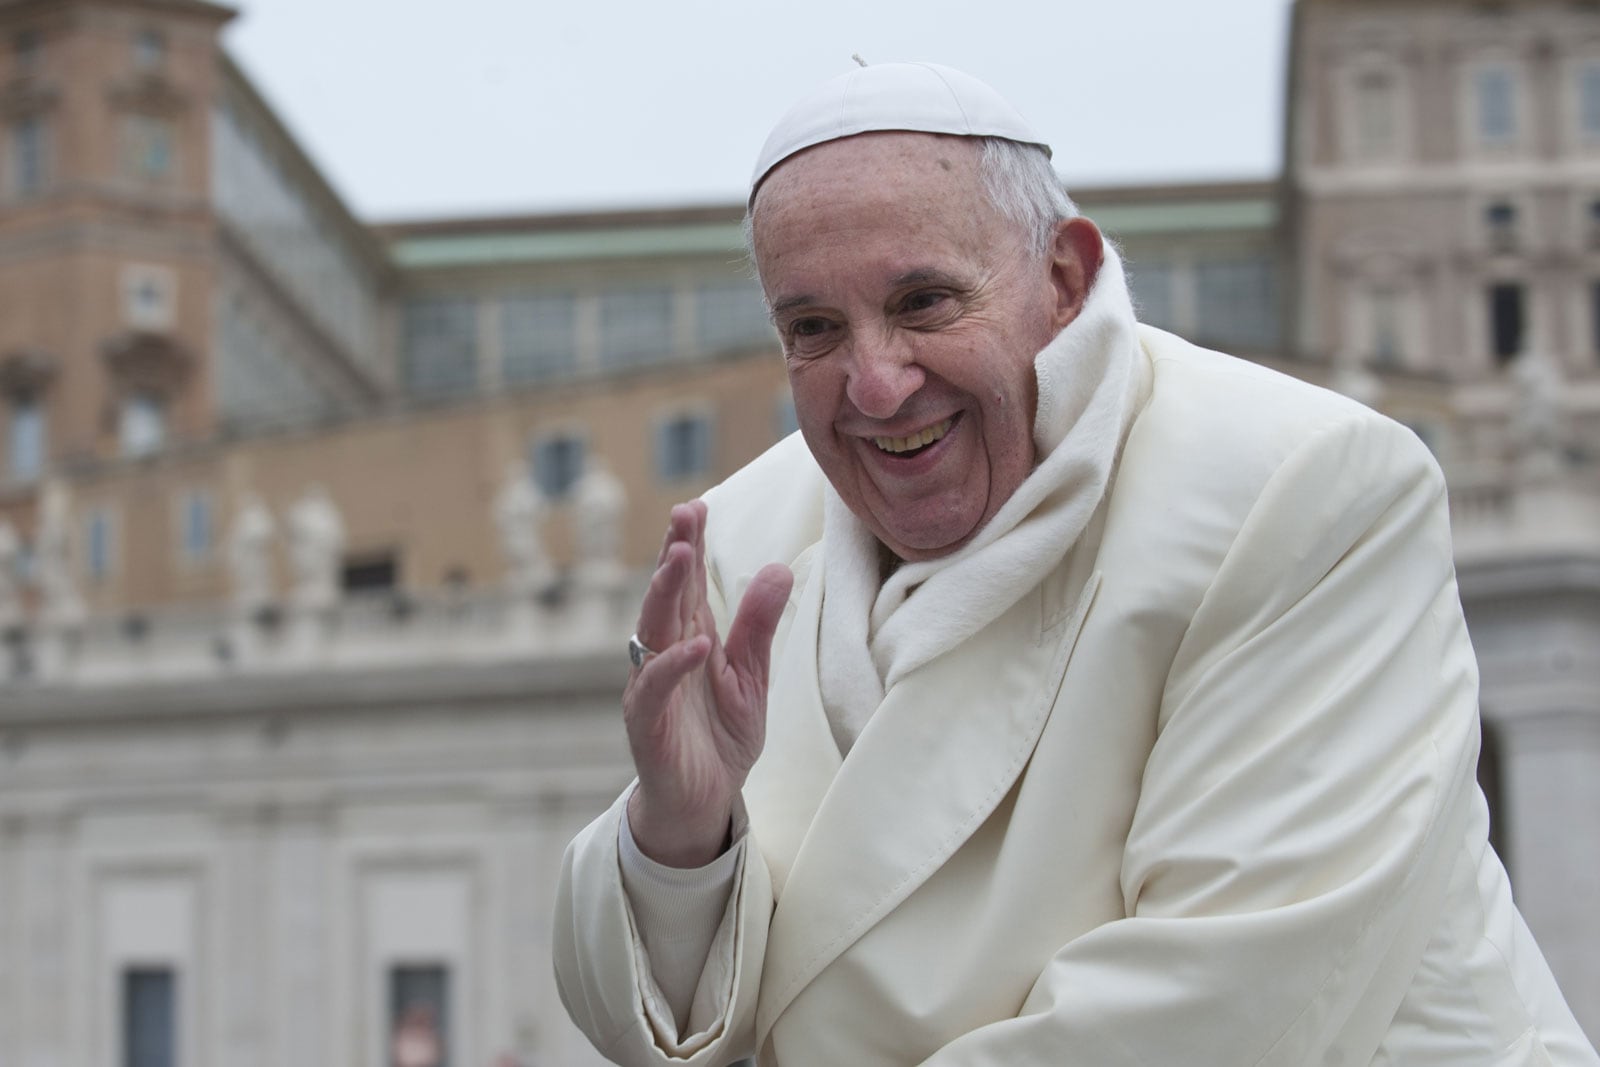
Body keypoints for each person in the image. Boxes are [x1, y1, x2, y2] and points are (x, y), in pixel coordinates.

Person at [553, 62, 1598, 1065]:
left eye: (922, 303)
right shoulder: (743, 536)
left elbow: (1225, 1003)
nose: (872, 384)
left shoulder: (1302, 486)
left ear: (1064, 278)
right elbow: (664, 1015)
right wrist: (681, 835)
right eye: (814, 328)